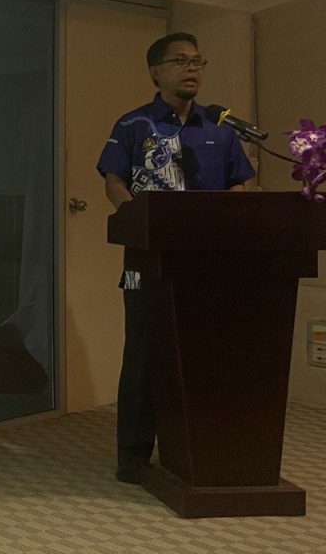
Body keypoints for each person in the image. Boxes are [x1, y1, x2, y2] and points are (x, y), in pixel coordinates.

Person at [96, 31, 254, 485]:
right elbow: (113, 180)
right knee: (143, 356)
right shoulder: (133, 124)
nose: (192, 68)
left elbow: (239, 183)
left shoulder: (221, 127)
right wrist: (136, 217)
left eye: (198, 61)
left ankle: (199, 450)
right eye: (181, 60)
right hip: (146, 261)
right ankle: (133, 459)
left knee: (206, 355)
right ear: (156, 71)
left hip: (209, 261)